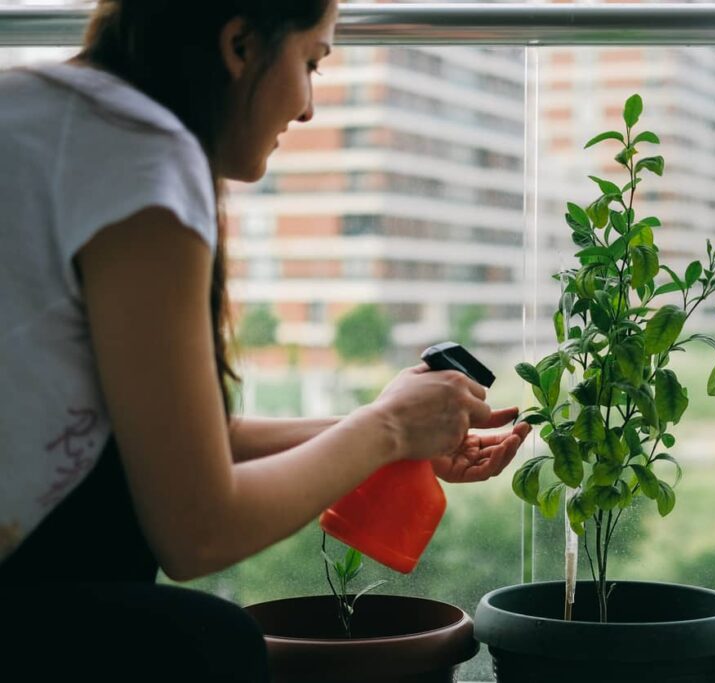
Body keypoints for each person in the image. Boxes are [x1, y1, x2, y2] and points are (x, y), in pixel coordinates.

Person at [0, 1, 531, 679]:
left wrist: (396, 428)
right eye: (311, 61)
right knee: (207, 643)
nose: (309, 106)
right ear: (240, 45)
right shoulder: (139, 155)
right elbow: (197, 528)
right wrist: (388, 429)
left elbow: (186, 441)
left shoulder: (40, 109)